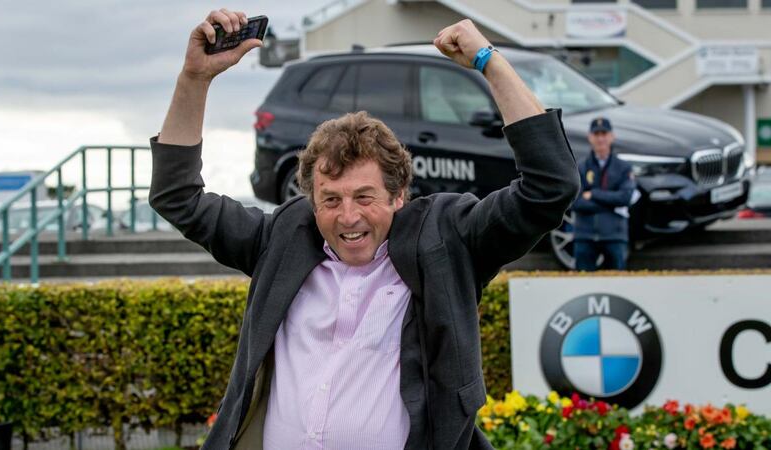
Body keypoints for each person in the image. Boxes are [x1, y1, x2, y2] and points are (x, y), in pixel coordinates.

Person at [149, 9, 580, 450]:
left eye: (364, 197)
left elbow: (549, 188)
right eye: (331, 200)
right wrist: (194, 79)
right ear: (311, 200)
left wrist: (489, 61)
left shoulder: (447, 239)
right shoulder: (281, 238)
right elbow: (177, 196)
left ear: (398, 195)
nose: (348, 217)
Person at [572, 117, 636, 271]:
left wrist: (593, 194)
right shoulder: (580, 167)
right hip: (585, 235)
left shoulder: (624, 168)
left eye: (604, 134)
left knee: (616, 281)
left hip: (614, 235)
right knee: (582, 281)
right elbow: (575, 202)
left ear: (612, 136)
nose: (600, 138)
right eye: (596, 134)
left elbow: (625, 198)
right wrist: (611, 204)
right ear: (590, 137)